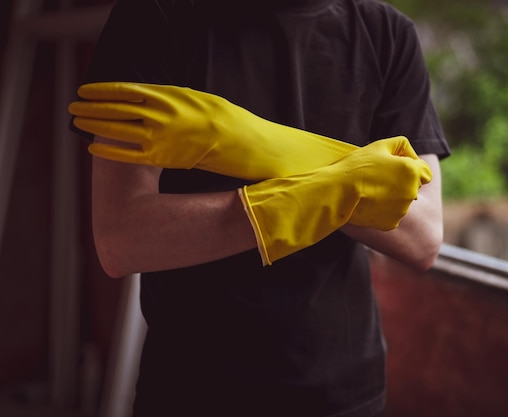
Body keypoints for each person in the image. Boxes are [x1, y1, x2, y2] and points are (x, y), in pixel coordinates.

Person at [69, 0, 450, 415]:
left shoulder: (387, 35)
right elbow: (121, 239)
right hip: (194, 390)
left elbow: (423, 237)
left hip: (345, 393)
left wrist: (246, 142)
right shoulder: (156, 16)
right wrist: (345, 184)